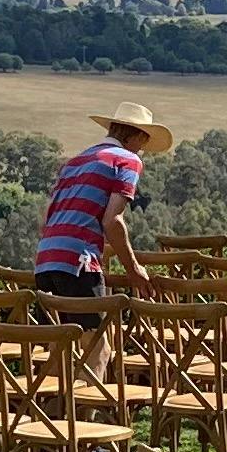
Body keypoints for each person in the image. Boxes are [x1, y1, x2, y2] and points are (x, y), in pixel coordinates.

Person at [34, 102, 168, 335]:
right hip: (78, 263)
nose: (143, 149)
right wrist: (133, 269)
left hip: (46, 260)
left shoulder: (74, 162)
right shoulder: (127, 160)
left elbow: (45, 221)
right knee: (96, 346)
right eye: (144, 141)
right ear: (137, 136)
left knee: (59, 347)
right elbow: (112, 220)